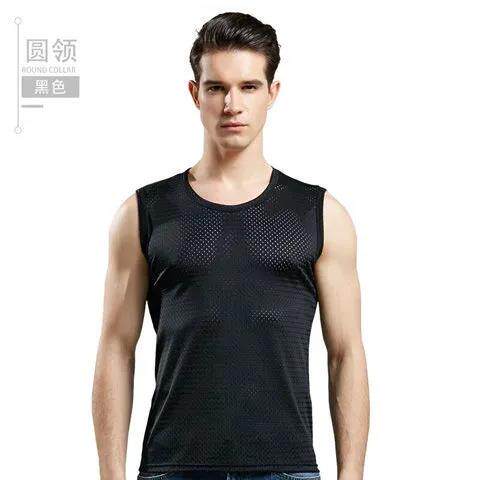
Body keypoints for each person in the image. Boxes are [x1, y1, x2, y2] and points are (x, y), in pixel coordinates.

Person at [92, 11, 369, 480]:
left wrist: (352, 476)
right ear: (195, 93)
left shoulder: (321, 214)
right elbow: (116, 348)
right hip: (172, 468)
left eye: (249, 87)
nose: (232, 104)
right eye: (217, 87)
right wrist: (110, 475)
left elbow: (346, 353)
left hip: (287, 468)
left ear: (272, 93)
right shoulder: (143, 212)